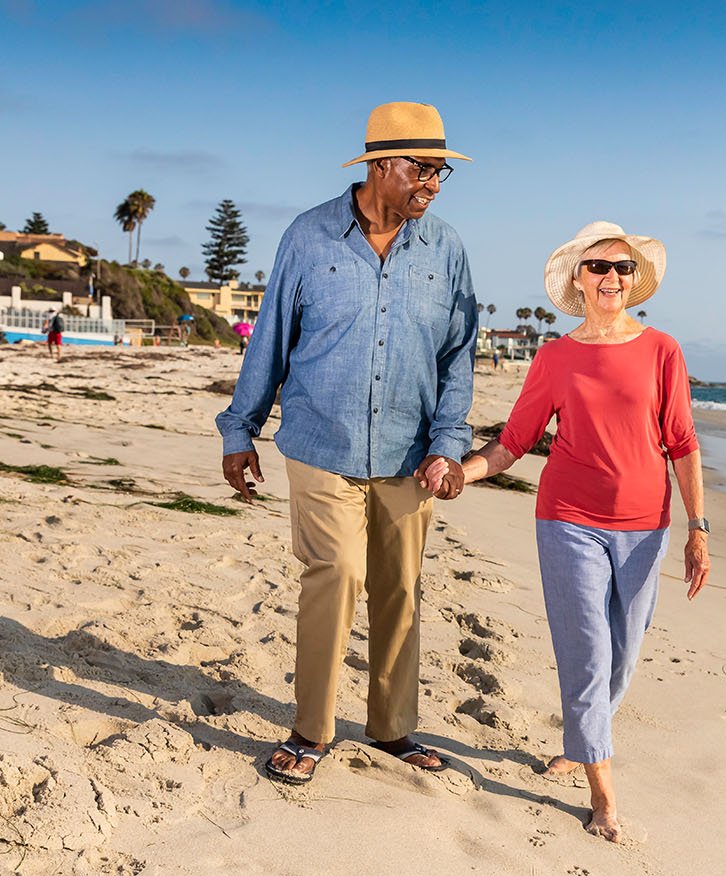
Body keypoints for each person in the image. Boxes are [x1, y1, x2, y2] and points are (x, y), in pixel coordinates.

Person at [215, 101, 477, 785]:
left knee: (400, 589)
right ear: (380, 166)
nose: (433, 184)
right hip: (319, 442)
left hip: (411, 452)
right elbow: (270, 337)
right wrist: (239, 429)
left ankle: (392, 729)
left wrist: (448, 442)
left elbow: (458, 358)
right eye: (422, 169)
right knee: (335, 574)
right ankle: (310, 728)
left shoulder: (446, 249)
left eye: (441, 172)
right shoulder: (309, 237)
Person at [454, 221, 710, 843]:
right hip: (568, 520)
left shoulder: (662, 350)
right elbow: (515, 442)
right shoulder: (555, 357)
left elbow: (681, 442)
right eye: (598, 267)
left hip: (647, 527)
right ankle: (603, 793)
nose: (612, 278)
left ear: (634, 279)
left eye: (622, 268)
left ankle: (580, 740)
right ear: (578, 279)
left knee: (624, 654)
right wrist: (462, 473)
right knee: (588, 654)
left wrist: (698, 528)